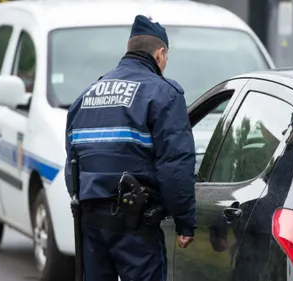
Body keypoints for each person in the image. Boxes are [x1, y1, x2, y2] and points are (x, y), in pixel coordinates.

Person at [64, 15, 197, 281]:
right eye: (166, 59)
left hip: (90, 223)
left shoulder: (86, 96)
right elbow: (175, 164)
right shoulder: (164, 94)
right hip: (135, 225)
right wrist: (184, 220)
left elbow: (72, 165)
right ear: (160, 54)